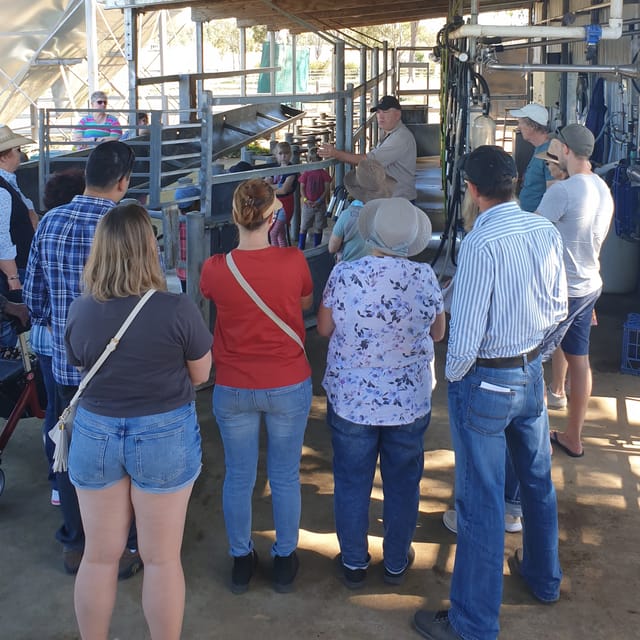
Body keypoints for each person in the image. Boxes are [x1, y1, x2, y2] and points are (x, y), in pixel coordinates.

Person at [413, 145, 567, 640]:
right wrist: (536, 359)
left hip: (485, 380)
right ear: (516, 182)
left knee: (481, 504)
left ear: (472, 191)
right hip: (529, 377)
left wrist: (457, 375)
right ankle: (544, 579)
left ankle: (473, 623)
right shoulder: (543, 229)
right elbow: (561, 307)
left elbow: (466, 332)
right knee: (537, 484)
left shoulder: (481, 243)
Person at [64, 202, 211, 640]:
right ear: (149, 249)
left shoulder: (81, 309)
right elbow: (202, 374)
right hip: (164, 433)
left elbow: (80, 369)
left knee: (98, 556)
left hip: (96, 433)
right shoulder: (176, 308)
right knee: (162, 559)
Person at [24, 141, 142, 578]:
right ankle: (125, 546)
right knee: (124, 456)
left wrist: (59, 321)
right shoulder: (127, 224)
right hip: (119, 369)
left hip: (63, 365)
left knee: (70, 454)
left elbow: (35, 299)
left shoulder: (50, 221)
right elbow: (146, 299)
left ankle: (76, 544)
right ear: (123, 181)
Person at [318, 197, 445, 589]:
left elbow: (324, 328)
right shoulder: (424, 276)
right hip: (408, 402)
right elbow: (438, 332)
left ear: (370, 233)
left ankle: (354, 561)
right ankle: (394, 560)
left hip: (353, 399)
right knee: (403, 481)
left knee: (352, 480)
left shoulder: (344, 274)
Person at [200, 178, 313, 595]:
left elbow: (212, 297)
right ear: (273, 215)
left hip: (234, 385)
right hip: (287, 381)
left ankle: (240, 559)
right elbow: (303, 302)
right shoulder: (294, 260)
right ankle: (284, 559)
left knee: (238, 476)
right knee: (284, 475)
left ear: (234, 216)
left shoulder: (215, 268)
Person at [536, 124, 614, 458]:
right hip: (589, 284)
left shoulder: (562, 192)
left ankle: (535, 438)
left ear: (565, 151)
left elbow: (534, 234)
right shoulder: (601, 187)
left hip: (560, 290)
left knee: (531, 359)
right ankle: (573, 436)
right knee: (579, 361)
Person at [33, 168, 87, 506]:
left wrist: (48, 319)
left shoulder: (47, 226)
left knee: (56, 412)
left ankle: (58, 482)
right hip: (90, 351)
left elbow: (34, 295)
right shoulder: (105, 227)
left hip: (49, 343)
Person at [319, 95, 417, 200]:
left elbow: (369, 161)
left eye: (385, 112)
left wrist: (336, 154)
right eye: (378, 112)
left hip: (399, 200)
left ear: (398, 114)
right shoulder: (388, 133)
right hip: (392, 197)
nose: (380, 116)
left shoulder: (400, 137)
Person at [0, 125, 38, 347]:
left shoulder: (8, 184)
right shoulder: (3, 190)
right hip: (14, 270)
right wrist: (14, 280)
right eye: (17, 149)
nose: (20, 153)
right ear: (5, 156)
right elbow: (2, 239)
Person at [327, 159, 395, 262]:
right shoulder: (387, 215)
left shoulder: (347, 215)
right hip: (378, 269)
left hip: (351, 268)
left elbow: (332, 248)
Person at [509, 103, 554, 212]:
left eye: (521, 123)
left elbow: (553, 193)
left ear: (533, 126)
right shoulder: (538, 149)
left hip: (536, 221)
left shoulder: (549, 153)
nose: (518, 127)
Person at [298, 147, 332, 249]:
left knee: (319, 226)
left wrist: (319, 200)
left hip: (319, 204)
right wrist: (305, 199)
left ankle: (316, 246)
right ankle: (301, 246)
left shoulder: (323, 174)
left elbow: (326, 188)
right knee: (303, 226)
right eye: (312, 160)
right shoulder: (306, 173)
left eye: (316, 160)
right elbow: (302, 188)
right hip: (308, 204)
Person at [268, 141, 299, 247]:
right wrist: (279, 186)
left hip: (285, 204)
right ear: (276, 155)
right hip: (275, 204)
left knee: (273, 233)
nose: (283, 156)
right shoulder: (274, 168)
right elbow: (266, 182)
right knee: (281, 234)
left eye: (286, 153)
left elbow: (284, 190)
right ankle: (283, 255)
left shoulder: (292, 170)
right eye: (280, 153)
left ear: (290, 154)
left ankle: (276, 257)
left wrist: (272, 188)